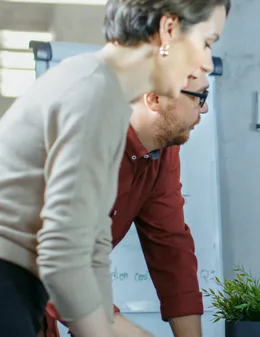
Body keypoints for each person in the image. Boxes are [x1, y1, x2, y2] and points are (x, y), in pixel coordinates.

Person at [0, 0, 229, 336]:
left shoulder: (103, 91)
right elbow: (63, 255)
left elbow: (91, 253)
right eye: (207, 43)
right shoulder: (93, 94)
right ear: (168, 31)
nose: (207, 64)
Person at [42, 75, 211, 337]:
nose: (205, 108)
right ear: (154, 99)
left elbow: (169, 246)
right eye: (198, 97)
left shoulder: (161, 151)